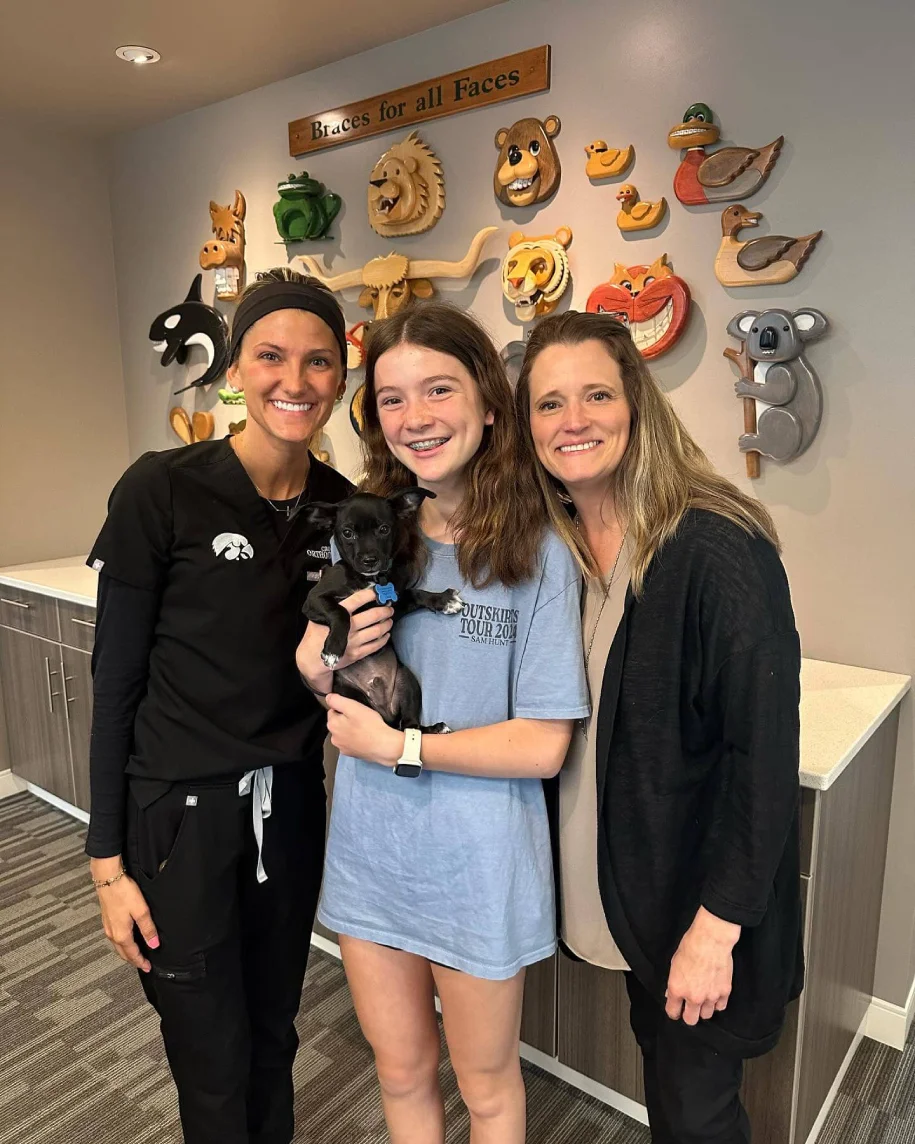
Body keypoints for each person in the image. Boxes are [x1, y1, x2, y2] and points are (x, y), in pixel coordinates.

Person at [85, 268, 386, 1144]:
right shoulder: (162, 489)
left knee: (272, 1035)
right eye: (271, 356)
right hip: (178, 820)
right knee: (210, 1056)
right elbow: (116, 686)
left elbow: (342, 669)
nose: (294, 381)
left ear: (341, 376)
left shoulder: (343, 510)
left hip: (289, 810)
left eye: (319, 362)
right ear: (235, 369)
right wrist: (107, 866)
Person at [296, 302, 589, 1144]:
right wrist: (316, 662)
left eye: (437, 390)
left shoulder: (538, 553)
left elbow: (541, 743)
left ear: (488, 402)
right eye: (391, 400)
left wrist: (401, 746)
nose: (414, 418)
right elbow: (312, 665)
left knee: (488, 1087)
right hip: (370, 853)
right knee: (397, 1072)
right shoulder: (369, 531)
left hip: (476, 867)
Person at [516, 310, 803, 1144]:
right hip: (628, 895)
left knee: (694, 1114)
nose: (573, 421)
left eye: (596, 394)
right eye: (549, 403)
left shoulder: (714, 547)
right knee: (671, 1093)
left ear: (637, 404)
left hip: (697, 908)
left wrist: (715, 930)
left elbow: (762, 761)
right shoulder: (560, 547)